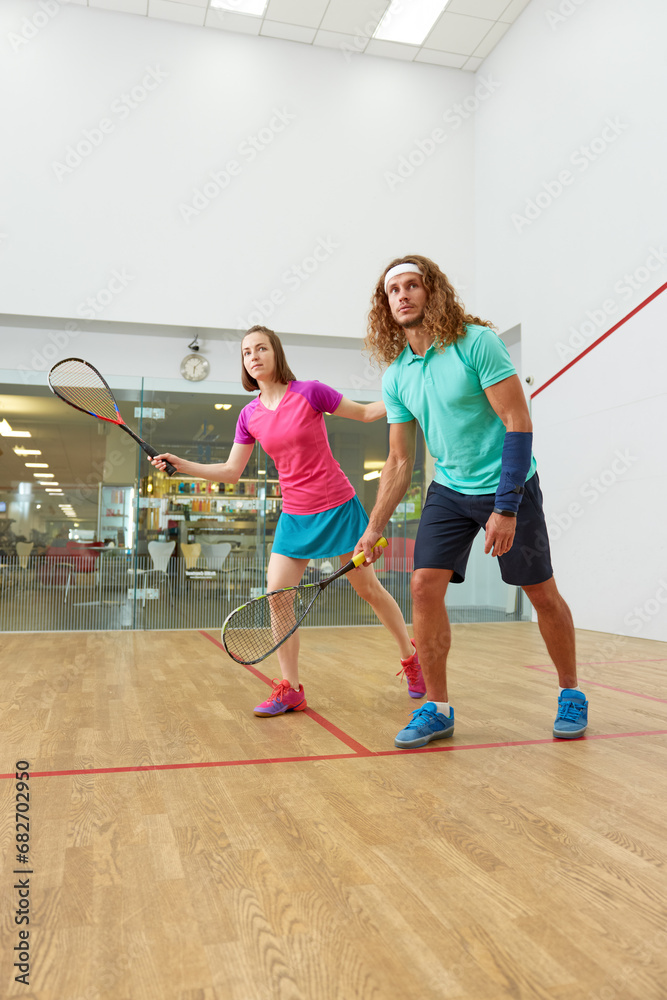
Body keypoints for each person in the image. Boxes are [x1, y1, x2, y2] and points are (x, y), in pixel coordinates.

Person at [355, 256, 588, 748]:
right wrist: (374, 526)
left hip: (507, 485)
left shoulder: (475, 343)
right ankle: (436, 708)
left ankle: (571, 692)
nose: (402, 295)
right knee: (421, 587)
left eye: (412, 285)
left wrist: (505, 508)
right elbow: (399, 461)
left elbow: (518, 422)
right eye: (393, 289)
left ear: (431, 291)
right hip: (449, 489)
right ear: (385, 304)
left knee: (540, 592)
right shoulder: (397, 375)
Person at [150, 324, 424, 716]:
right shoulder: (249, 415)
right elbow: (231, 472)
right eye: (247, 353)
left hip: (337, 507)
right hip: (294, 515)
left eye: (261, 348)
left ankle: (410, 657)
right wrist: (182, 464)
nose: (254, 356)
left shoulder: (309, 391)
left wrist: (410, 398)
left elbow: (365, 413)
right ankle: (291, 687)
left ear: (275, 353)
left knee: (368, 591)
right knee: (278, 597)